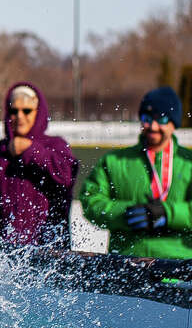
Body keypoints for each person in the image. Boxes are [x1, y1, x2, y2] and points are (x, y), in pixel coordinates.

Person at [80, 86, 192, 259]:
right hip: (126, 261)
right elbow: (90, 201)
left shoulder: (188, 162)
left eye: (161, 119)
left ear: (173, 123)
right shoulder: (114, 161)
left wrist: (168, 213)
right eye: (147, 119)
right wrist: (126, 213)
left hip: (179, 263)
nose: (153, 126)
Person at [0, 82, 78, 247]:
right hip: (4, 255)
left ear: (38, 112)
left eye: (26, 111)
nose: (20, 116)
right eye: (14, 111)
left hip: (50, 253)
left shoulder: (56, 146)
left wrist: (31, 151)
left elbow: (66, 176)